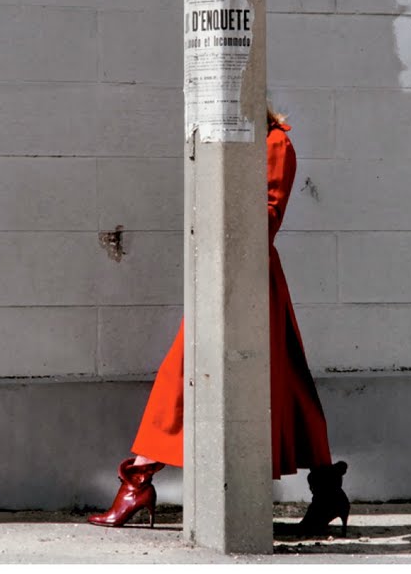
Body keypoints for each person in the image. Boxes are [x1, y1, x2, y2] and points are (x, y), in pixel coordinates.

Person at [88, 106, 346, 532]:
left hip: (250, 274)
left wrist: (224, 210)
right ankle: (327, 491)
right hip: (220, 271)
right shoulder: (231, 140)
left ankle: (139, 479)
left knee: (263, 379)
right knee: (209, 373)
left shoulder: (276, 142)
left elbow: (269, 215)